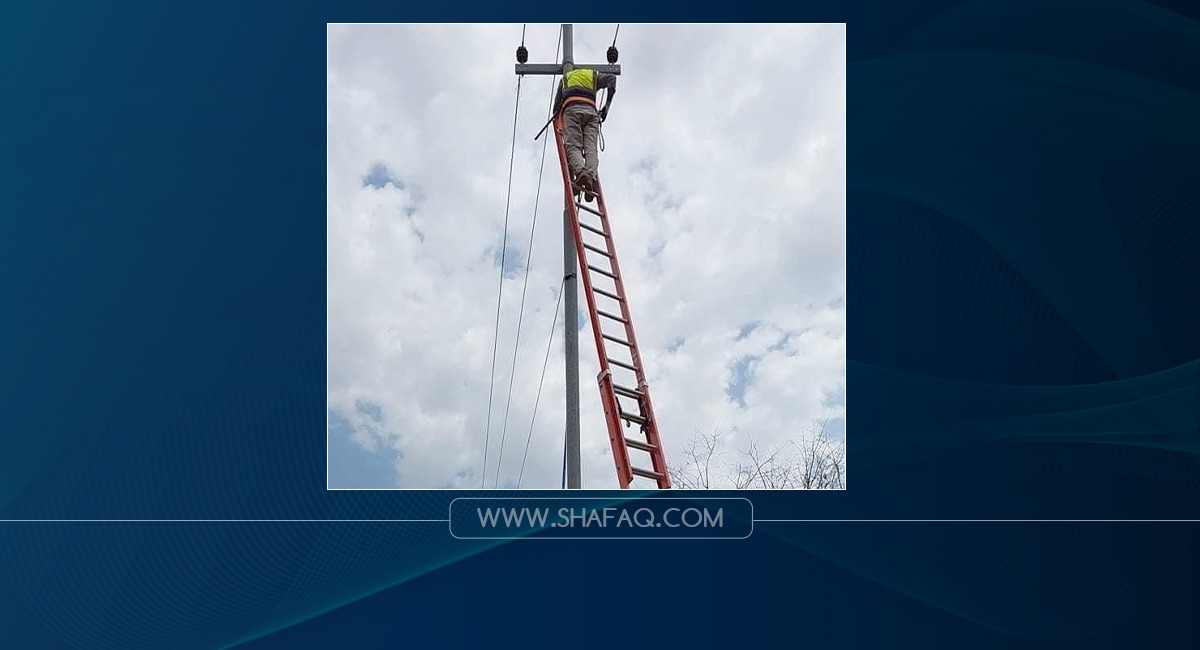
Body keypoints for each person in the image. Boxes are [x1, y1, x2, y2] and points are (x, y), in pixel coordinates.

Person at [553, 67, 616, 202]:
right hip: (592, 113)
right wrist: (607, 107)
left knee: (573, 146)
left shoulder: (565, 79)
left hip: (572, 110)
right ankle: (591, 178)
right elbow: (612, 79)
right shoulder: (592, 75)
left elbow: (555, 109)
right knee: (591, 149)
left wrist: (558, 118)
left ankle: (582, 173)